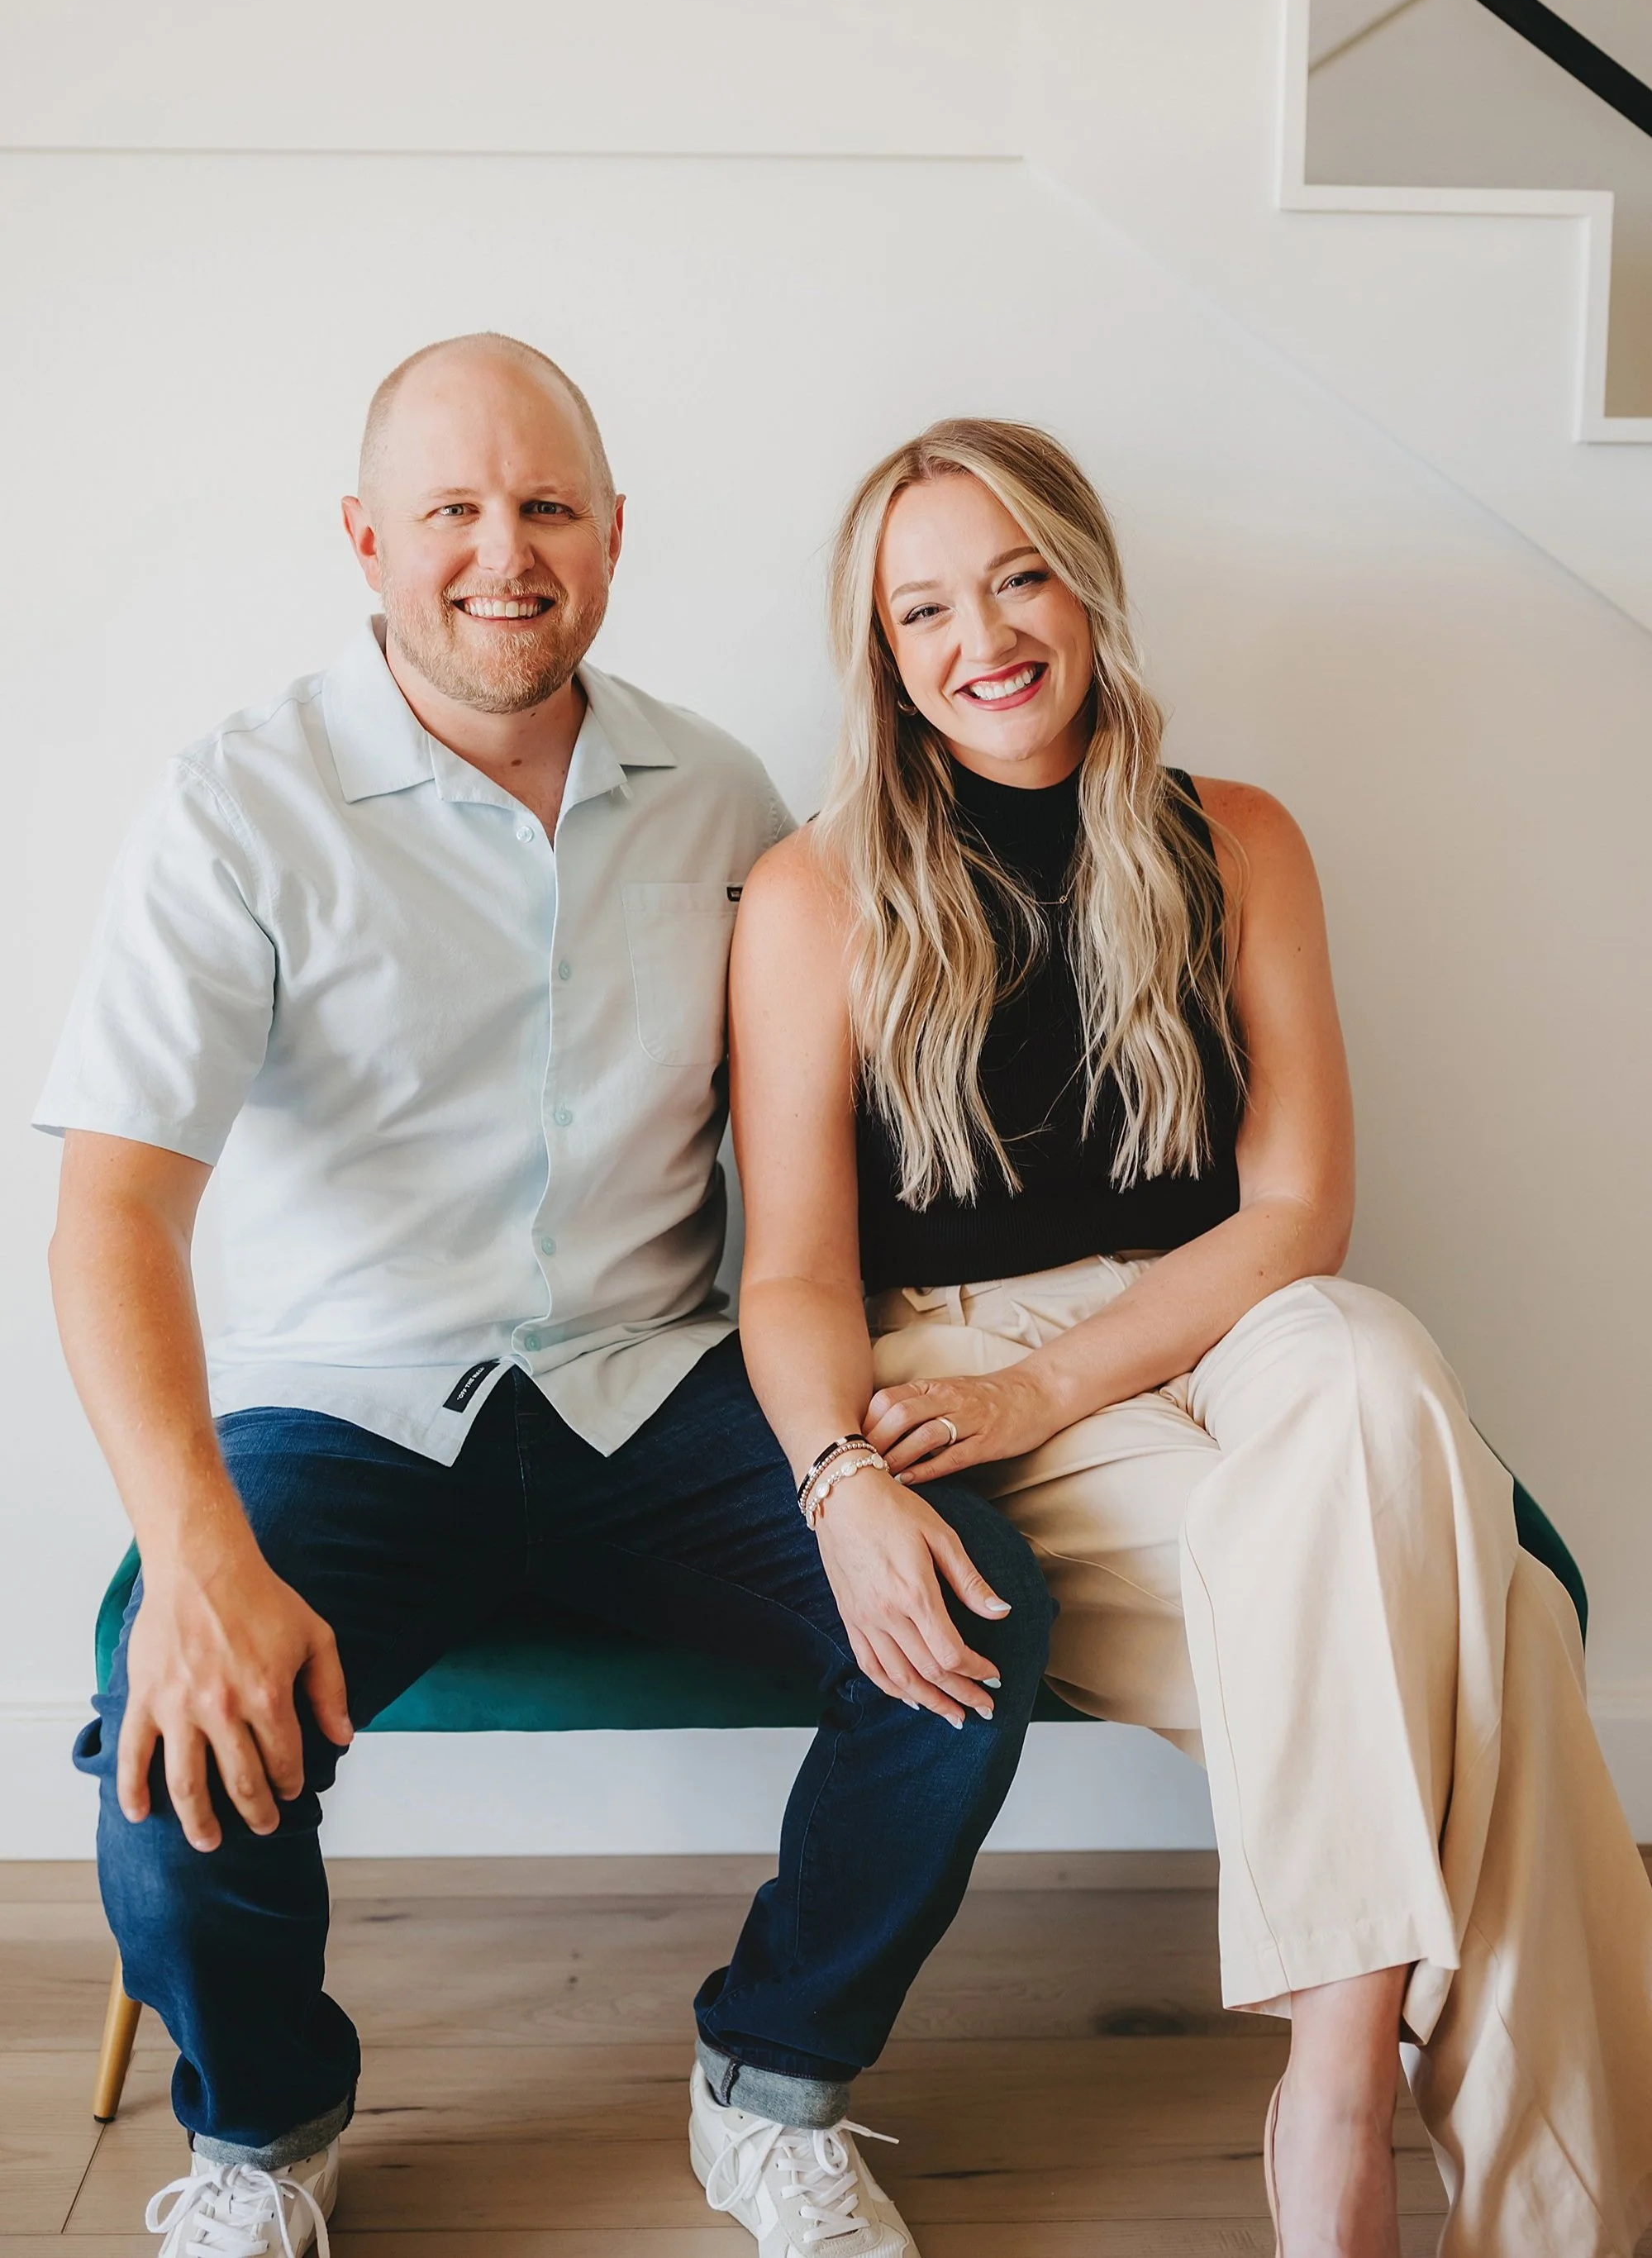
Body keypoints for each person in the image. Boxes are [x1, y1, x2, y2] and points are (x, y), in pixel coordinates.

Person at [36, 341, 1054, 2258]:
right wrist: (192, 1551)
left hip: (653, 1388)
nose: (504, 552)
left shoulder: (722, 794)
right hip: (345, 1405)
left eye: (547, 507)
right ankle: (262, 2137)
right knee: (173, 1742)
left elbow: (819, 1163)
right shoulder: (236, 802)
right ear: (365, 539)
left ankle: (773, 2079)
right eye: (453, 509)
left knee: (972, 1610)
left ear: (612, 535)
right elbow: (110, 1219)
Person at [727, 415, 1652, 2258]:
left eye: (1019, 577)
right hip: (952, 1354)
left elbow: (1299, 1208)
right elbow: (796, 1275)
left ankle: (1332, 2080)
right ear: (884, 658)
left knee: (1373, 1356)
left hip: (1226, 1309)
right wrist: (842, 1475)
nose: (985, 636)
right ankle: (1532, 2211)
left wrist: (1053, 1381)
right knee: (1507, 1633)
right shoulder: (814, 893)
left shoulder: (1241, 838)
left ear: (1087, 586)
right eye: (926, 609)